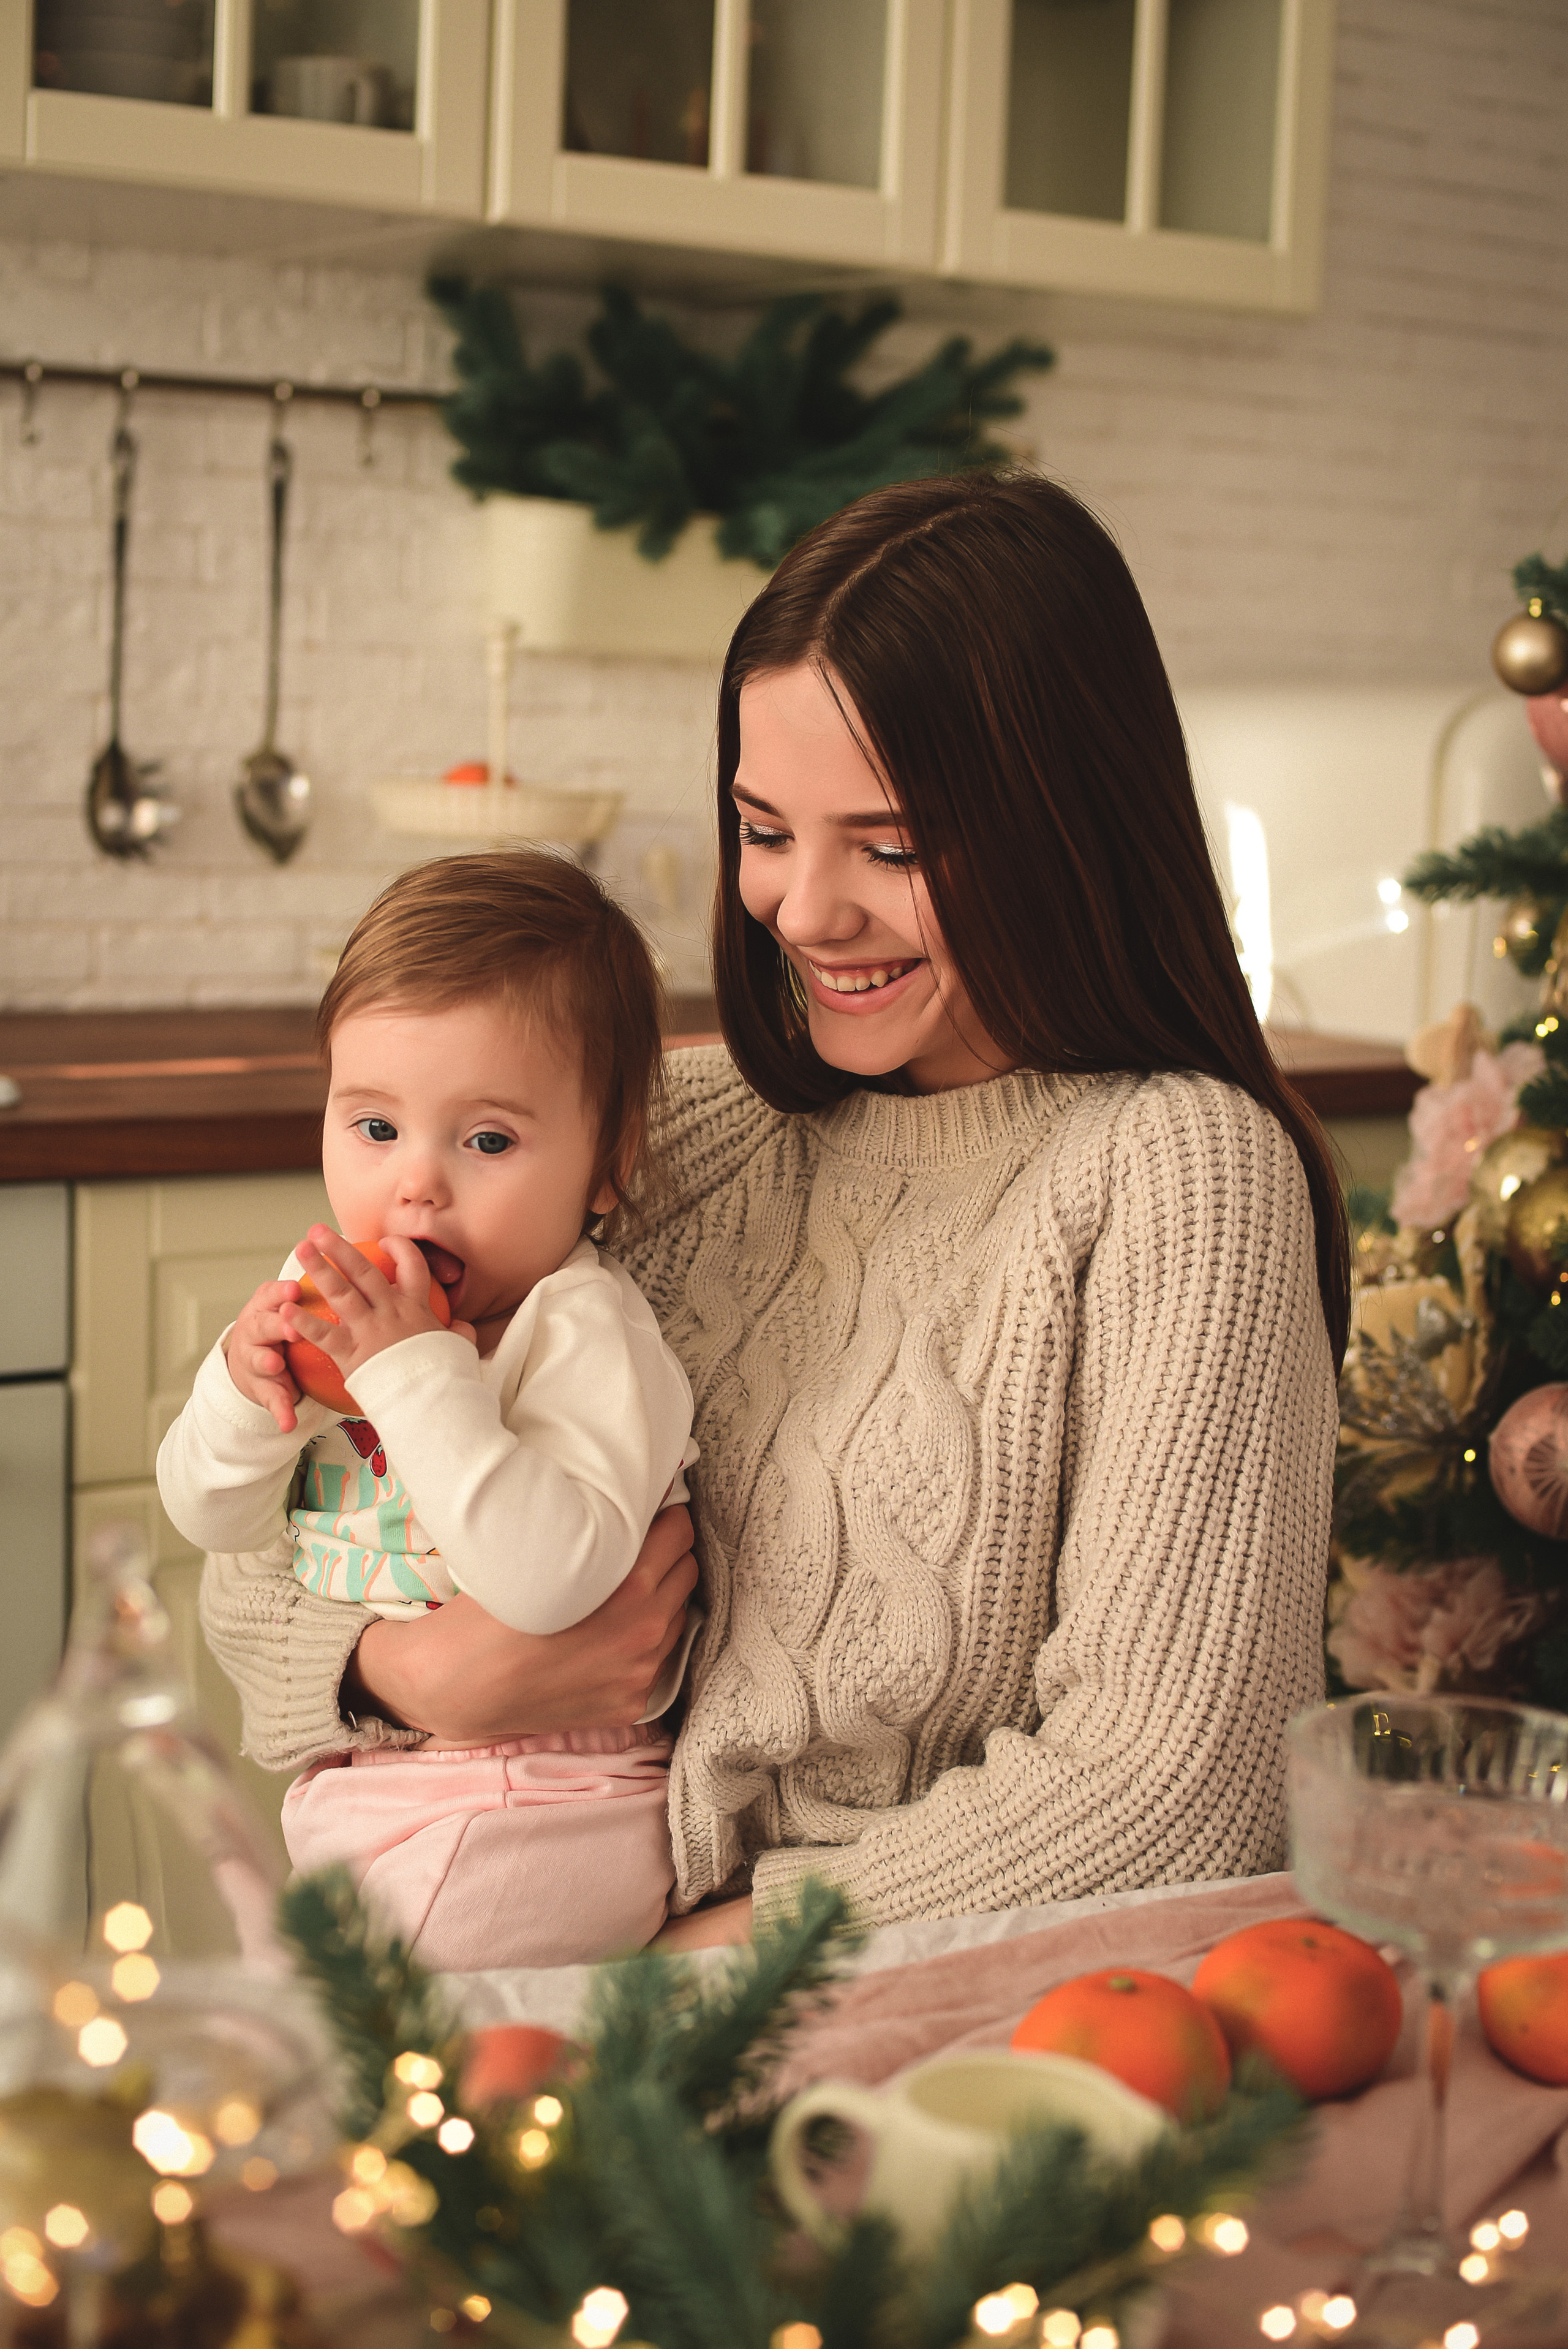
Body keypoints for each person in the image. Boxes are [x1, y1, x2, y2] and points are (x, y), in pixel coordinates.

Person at [200, 472, 1347, 1953]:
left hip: (863, 2021)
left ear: (1068, 825)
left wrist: (706, 1970)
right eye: (762, 828)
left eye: (892, 847)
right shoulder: (650, 1133)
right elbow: (262, 1534)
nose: (804, 911)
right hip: (495, 1940)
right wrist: (410, 1676)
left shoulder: (1178, 1174)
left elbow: (1175, 1785)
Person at [160, 850, 699, 1967]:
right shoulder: (335, 1305)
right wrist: (237, 1386)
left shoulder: (585, 1329)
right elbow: (211, 1520)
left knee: (358, 2023)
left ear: (609, 1163)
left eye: (488, 1140)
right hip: (366, 1783)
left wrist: (411, 1375)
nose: (416, 1185)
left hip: (550, 1802)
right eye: (373, 1127)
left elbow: (553, 1579)